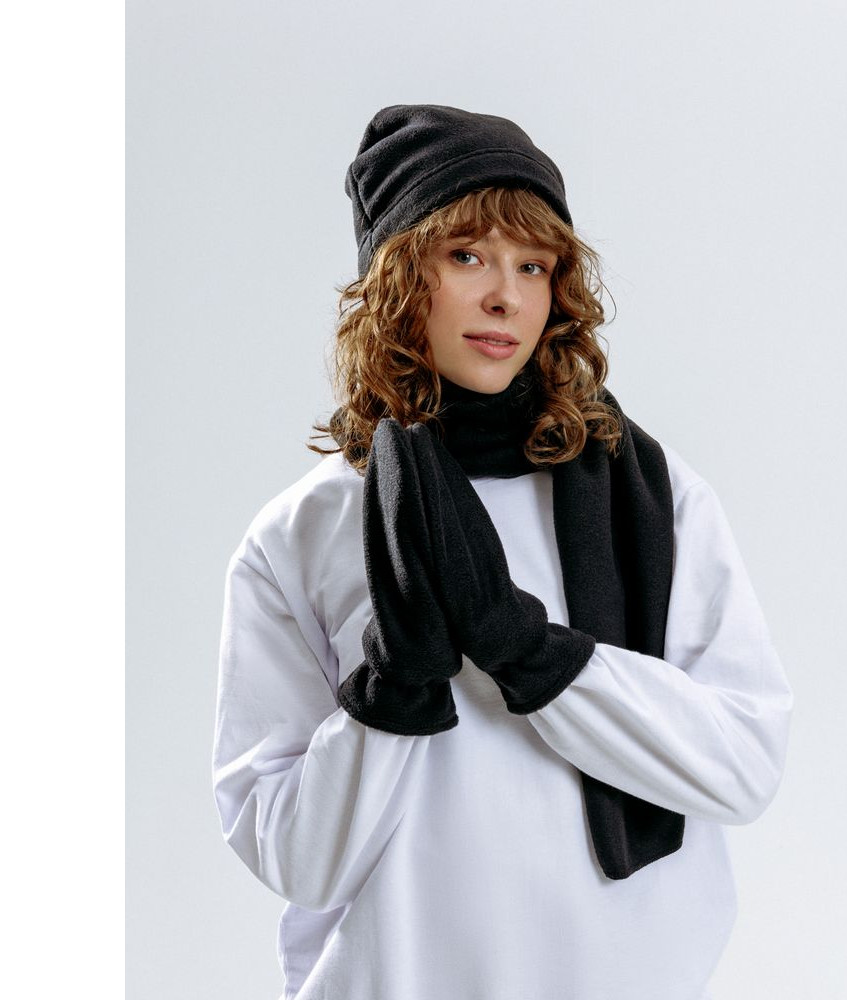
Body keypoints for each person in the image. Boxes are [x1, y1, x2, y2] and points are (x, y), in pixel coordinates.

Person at [212, 104, 794, 1000]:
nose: (506, 298)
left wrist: (530, 651)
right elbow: (295, 856)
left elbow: (743, 764)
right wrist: (396, 682)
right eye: (466, 256)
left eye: (533, 265)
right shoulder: (306, 530)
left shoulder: (653, 494)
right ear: (397, 275)